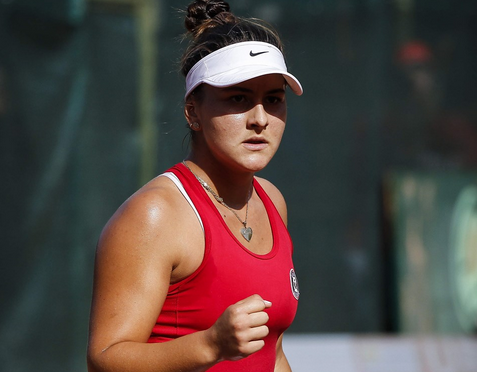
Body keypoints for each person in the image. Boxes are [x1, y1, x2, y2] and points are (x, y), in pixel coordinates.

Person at [87, 1, 303, 371]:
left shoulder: (272, 201)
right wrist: (210, 343)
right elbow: (105, 359)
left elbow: (273, 354)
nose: (259, 119)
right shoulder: (155, 215)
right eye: (238, 98)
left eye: (273, 100)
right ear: (193, 111)